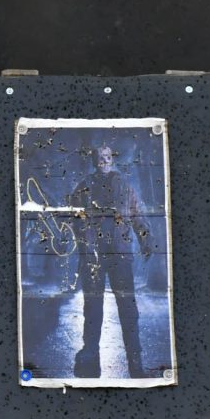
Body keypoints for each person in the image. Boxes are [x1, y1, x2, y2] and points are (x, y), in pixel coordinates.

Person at [69, 144, 151, 379]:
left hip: (120, 255)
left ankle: (136, 364)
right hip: (93, 257)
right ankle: (90, 363)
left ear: (112, 159)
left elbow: (137, 214)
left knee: (128, 309)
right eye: (99, 157)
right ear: (94, 161)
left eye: (106, 157)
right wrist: (83, 241)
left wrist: (146, 240)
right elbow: (73, 216)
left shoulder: (124, 185)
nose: (103, 161)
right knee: (93, 309)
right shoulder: (84, 186)